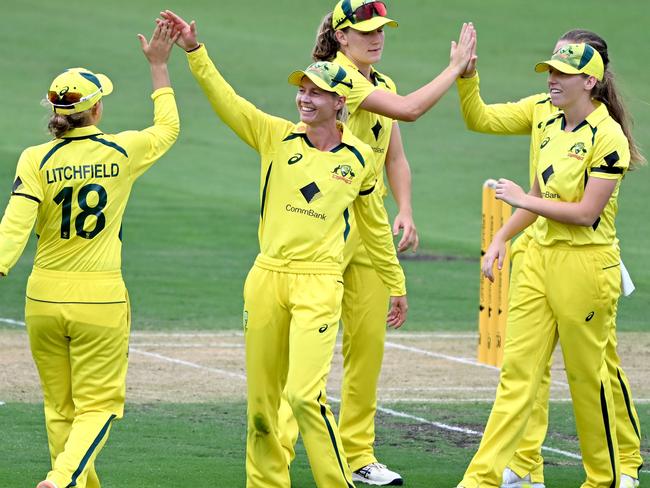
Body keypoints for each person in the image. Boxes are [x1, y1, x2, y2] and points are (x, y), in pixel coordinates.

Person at [160, 10, 408, 488]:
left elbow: (375, 229)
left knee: (303, 396)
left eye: (316, 92)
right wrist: (194, 51)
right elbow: (226, 100)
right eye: (302, 90)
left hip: (319, 282)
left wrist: (395, 284)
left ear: (341, 103)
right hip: (267, 278)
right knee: (261, 408)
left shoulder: (358, 160)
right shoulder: (275, 136)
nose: (304, 98)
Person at [276, 2, 475, 485]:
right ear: (342, 37)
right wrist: (454, 69)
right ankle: (275, 458)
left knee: (368, 347)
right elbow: (411, 110)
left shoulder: (379, 83)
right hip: (325, 227)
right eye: (365, 30)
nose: (377, 37)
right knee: (303, 361)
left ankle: (358, 456)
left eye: (381, 29)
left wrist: (404, 209)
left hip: (368, 228)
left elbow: (395, 155)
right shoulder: (337, 79)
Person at [456, 29, 644, 488]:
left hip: (585, 267)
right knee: (517, 374)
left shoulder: (609, 136)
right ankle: (484, 478)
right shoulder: (547, 118)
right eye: (551, 71)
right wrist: (502, 236)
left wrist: (520, 200)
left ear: (590, 82)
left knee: (587, 379)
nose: (552, 79)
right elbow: (541, 192)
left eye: (564, 73)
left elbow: (584, 213)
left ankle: (607, 477)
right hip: (538, 258)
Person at [0, 23, 179, 488]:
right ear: (96, 108)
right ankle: (60, 480)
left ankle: (74, 482)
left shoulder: (33, 159)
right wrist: (159, 66)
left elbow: (13, 228)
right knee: (99, 407)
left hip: (42, 300)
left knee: (60, 408)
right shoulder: (121, 150)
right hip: (99, 300)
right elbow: (168, 129)